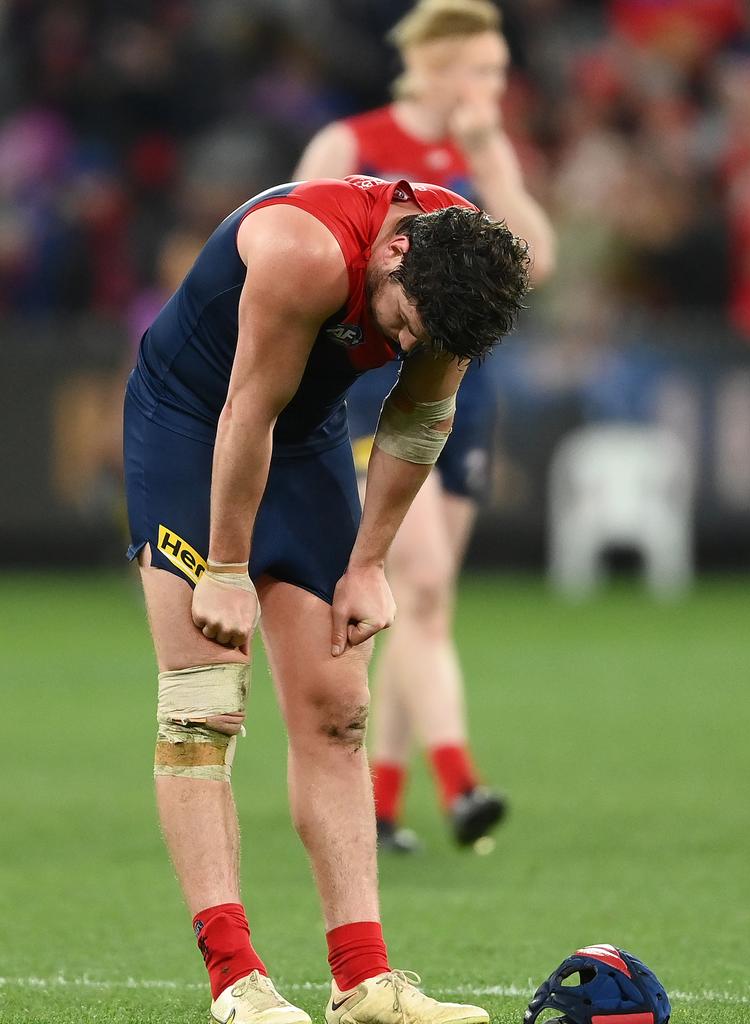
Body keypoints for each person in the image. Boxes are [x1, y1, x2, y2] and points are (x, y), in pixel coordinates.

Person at [123, 174, 529, 1024]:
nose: (404, 343)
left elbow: (419, 420)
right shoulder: (303, 250)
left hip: (302, 441)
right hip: (195, 425)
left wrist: (369, 564)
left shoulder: (462, 274)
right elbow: (246, 411)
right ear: (392, 251)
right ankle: (235, 981)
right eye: (399, 323)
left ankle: (364, 983)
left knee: (339, 707)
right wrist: (227, 570)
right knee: (202, 706)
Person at [295, 0, 555, 851]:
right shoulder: (353, 141)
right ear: (436, 68)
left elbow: (535, 263)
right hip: (373, 384)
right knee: (424, 580)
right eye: (481, 68)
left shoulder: (483, 153)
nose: (493, 85)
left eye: (498, 70)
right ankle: (461, 784)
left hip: (460, 387)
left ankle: (381, 800)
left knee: (425, 604)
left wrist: (491, 158)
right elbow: (305, 239)